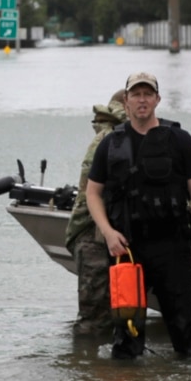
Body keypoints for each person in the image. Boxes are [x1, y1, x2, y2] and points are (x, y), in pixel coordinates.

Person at [85, 71, 191, 360]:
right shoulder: (110, 144)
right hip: (127, 249)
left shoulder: (180, 140)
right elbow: (93, 193)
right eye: (136, 95)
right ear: (126, 101)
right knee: (127, 334)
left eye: (147, 94)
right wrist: (107, 232)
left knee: (184, 331)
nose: (142, 100)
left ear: (157, 99)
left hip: (173, 246)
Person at [64, 89, 126, 335]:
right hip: (93, 236)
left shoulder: (118, 137)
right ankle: (87, 368)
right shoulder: (108, 140)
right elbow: (92, 193)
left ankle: (98, 369)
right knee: (95, 320)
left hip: (109, 235)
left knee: (119, 313)